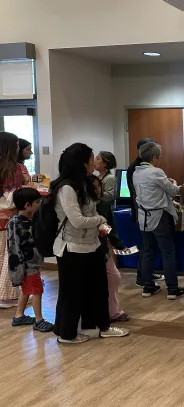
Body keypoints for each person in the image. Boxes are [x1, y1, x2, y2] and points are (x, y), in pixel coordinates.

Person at [52, 143, 129, 344]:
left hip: (91, 245)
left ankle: (97, 327)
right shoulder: (67, 187)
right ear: (81, 162)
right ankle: (67, 334)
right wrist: (101, 220)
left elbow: (91, 212)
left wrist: (99, 223)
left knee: (97, 289)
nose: (94, 164)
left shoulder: (84, 184)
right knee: (72, 293)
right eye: (91, 159)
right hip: (72, 248)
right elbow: (77, 220)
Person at [133, 142, 184, 300]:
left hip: (143, 217)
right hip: (159, 217)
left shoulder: (136, 172)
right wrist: (175, 184)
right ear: (155, 157)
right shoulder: (156, 172)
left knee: (148, 251)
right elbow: (173, 191)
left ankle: (147, 286)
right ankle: (172, 289)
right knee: (167, 252)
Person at [7, 187, 54, 332]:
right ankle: (39, 320)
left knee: (27, 290)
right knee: (37, 290)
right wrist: (19, 267)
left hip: (32, 263)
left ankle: (19, 315)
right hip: (27, 265)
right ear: (28, 205)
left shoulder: (29, 220)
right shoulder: (15, 222)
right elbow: (14, 246)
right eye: (37, 202)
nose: (39, 204)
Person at [90, 176, 129, 322]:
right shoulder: (82, 206)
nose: (97, 189)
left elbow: (109, 228)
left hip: (101, 248)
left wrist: (118, 243)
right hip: (87, 248)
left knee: (114, 276)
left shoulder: (104, 205)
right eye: (93, 187)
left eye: (98, 186)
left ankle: (113, 311)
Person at [127, 138, 164, 287]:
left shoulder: (144, 167)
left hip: (146, 211)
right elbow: (136, 194)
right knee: (146, 247)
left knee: (149, 246)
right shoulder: (135, 168)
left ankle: (147, 274)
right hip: (143, 211)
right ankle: (142, 277)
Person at [0, 131, 24, 308]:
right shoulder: (14, 168)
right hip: (9, 217)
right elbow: (14, 196)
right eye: (16, 145)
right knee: (10, 255)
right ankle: (7, 296)